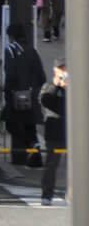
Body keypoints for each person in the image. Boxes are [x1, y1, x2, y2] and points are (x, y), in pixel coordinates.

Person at [2, 21, 45, 165]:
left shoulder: (11, 50)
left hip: (17, 95)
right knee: (30, 126)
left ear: (11, 36)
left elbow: (11, 73)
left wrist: (8, 91)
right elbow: (41, 74)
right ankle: (36, 157)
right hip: (32, 95)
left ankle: (31, 146)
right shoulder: (32, 50)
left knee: (11, 123)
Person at [39, 60, 66, 205]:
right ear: (55, 70)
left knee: (77, 165)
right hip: (54, 131)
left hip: (72, 131)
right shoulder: (48, 86)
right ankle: (46, 194)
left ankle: (75, 193)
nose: (63, 72)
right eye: (61, 69)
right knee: (51, 164)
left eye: (65, 69)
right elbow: (44, 101)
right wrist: (56, 87)